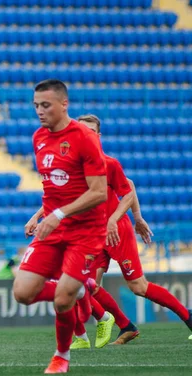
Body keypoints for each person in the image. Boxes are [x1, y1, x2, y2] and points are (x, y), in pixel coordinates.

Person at [12, 79, 108, 374]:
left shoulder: (84, 137)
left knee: (62, 298)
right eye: (36, 106)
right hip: (53, 229)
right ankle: (81, 288)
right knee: (22, 293)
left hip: (85, 231)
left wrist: (60, 215)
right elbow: (54, 186)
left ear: (64, 104)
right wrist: (44, 216)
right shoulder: (38, 138)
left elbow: (99, 192)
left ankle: (61, 356)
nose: (39, 111)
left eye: (46, 105)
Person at [74, 114, 192, 343]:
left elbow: (128, 188)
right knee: (85, 285)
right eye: (81, 130)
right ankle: (125, 325)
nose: (85, 134)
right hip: (94, 234)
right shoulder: (76, 166)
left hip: (117, 231)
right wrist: (38, 216)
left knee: (138, 286)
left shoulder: (106, 163)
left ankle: (188, 316)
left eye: (90, 131)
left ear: (98, 136)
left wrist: (134, 218)